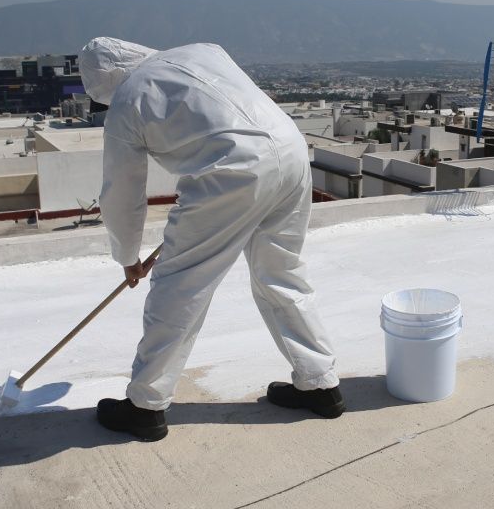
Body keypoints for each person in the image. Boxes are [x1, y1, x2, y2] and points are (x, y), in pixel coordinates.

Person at [79, 37, 342, 441]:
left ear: (104, 84)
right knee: (282, 274)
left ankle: (145, 406)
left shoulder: (128, 99)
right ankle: (320, 384)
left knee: (180, 287)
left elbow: (122, 192)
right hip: (290, 152)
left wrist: (128, 255)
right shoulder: (204, 50)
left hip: (231, 172)